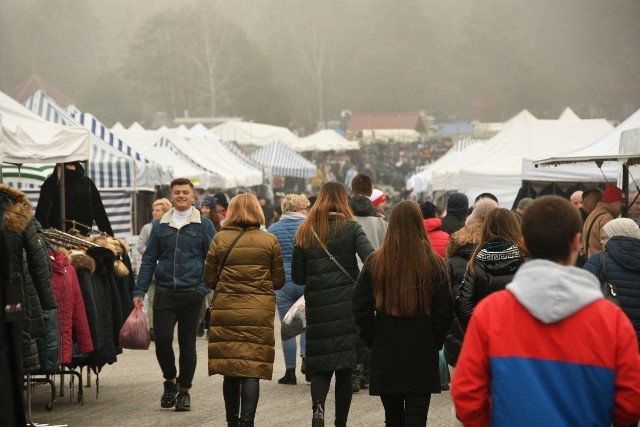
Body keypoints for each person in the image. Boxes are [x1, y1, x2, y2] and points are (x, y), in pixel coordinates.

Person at [452, 195, 640, 426]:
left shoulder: (490, 313)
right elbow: (631, 401)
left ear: (524, 244)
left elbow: (466, 396)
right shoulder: (612, 320)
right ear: (576, 242)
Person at [353, 200, 453, 427]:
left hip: (386, 344)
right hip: (422, 344)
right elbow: (444, 309)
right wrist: (434, 340)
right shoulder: (432, 263)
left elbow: (360, 307)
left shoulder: (376, 261)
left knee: (393, 417)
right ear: (419, 224)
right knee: (417, 417)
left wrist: (372, 338)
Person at [292, 182, 374, 427]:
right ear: (343, 200)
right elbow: (371, 259)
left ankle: (318, 410)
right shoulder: (351, 227)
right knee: (345, 368)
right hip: (347, 305)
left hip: (317, 305)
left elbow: (297, 276)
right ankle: (341, 422)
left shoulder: (305, 230)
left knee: (321, 365)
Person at [133, 178, 215, 412]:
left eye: (185, 192)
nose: (181, 195)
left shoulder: (204, 225)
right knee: (162, 341)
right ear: (171, 196)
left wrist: (203, 287)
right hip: (165, 291)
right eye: (177, 192)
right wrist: (139, 290)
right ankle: (171, 381)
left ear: (193, 197)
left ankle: (185, 391)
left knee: (188, 344)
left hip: (192, 293)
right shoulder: (160, 226)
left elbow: (214, 259)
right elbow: (149, 260)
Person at [205, 194, 285, 427]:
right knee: (251, 367)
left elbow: (209, 279)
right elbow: (278, 280)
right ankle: (247, 422)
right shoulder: (269, 240)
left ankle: (232, 421)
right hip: (258, 312)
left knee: (230, 369)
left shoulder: (219, 239)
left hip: (227, 310)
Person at [0, 185, 57, 427]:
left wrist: (47, 300)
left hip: (12, 292)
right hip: (12, 290)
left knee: (13, 350)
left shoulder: (18, 210)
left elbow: (36, 257)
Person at [443, 197, 498, 427]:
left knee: (461, 404)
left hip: (457, 337)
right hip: (494, 340)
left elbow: (444, 302)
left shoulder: (453, 257)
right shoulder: (503, 255)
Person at [349, 174, 389, 392]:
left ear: (352, 189)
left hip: (350, 275)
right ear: (371, 189)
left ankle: (354, 371)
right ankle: (369, 372)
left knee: (355, 322)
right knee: (374, 322)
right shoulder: (380, 218)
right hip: (375, 273)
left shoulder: (346, 217)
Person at [455, 208, 525, 330]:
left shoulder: (475, 262)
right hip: (519, 336)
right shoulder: (526, 260)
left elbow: (463, 306)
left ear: (486, 229)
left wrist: (482, 332)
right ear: (515, 227)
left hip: (488, 336)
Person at [267, 193, 310, 385]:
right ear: (301, 209)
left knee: (288, 327)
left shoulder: (273, 229)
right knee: (307, 324)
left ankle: (290, 372)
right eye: (306, 208)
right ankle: (307, 362)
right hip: (306, 281)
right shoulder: (309, 227)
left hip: (283, 283)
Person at [584, 218, 640, 346]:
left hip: (606, 339)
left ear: (614, 237)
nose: (601, 241)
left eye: (604, 237)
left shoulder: (598, 260)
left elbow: (581, 299)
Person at [35, 162, 113, 236]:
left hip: (83, 237)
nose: (71, 169)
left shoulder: (87, 183)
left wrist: (110, 237)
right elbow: (42, 214)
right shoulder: (52, 183)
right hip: (58, 237)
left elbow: (100, 213)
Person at [137, 197, 173, 340]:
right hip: (152, 270)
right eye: (153, 210)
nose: (154, 213)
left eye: (157, 210)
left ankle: (165, 326)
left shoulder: (171, 227)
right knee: (152, 299)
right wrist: (154, 253)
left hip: (167, 271)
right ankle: (152, 327)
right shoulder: (147, 228)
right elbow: (140, 247)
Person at [580, 184, 624, 262]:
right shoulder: (606, 218)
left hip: (591, 264)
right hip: (602, 267)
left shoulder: (591, 215)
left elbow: (582, 248)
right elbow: (609, 247)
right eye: (621, 201)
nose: (623, 205)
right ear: (612, 202)